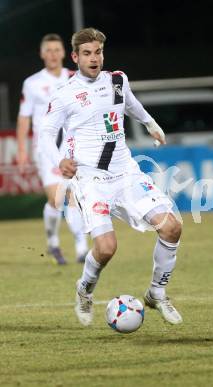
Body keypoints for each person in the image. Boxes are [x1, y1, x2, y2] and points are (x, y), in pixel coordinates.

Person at [40, 27, 183, 327]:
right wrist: (60, 161)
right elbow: (46, 135)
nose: (94, 59)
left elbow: (129, 103)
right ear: (76, 57)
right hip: (90, 178)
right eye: (88, 53)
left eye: (99, 52)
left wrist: (150, 122)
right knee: (106, 248)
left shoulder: (117, 80)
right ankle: (84, 290)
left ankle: (156, 293)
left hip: (125, 172)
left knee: (172, 227)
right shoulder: (65, 94)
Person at [16, 33, 88, 265]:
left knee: (74, 195)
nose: (53, 54)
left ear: (64, 53)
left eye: (57, 50)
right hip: (45, 149)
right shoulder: (32, 83)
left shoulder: (75, 78)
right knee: (56, 198)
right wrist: (21, 151)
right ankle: (54, 242)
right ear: (42, 53)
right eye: (49, 50)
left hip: (71, 147)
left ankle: (81, 249)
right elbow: (24, 119)